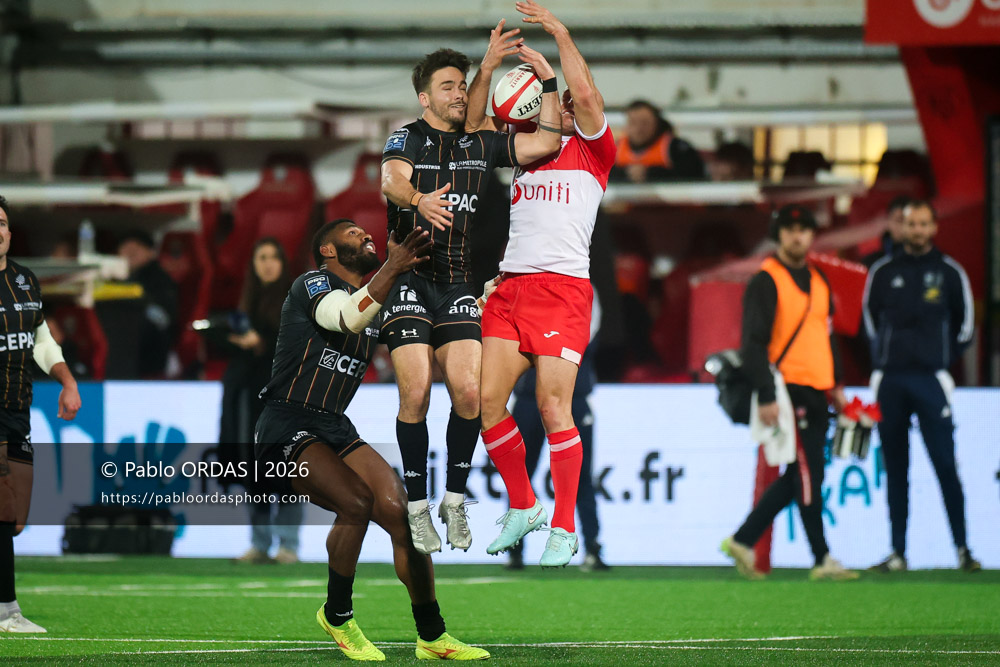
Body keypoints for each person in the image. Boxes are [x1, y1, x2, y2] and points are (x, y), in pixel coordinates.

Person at [255, 219, 489, 660]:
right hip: (284, 425)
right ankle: (337, 615)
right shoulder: (311, 285)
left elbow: (432, 331)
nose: (364, 236)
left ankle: (432, 636)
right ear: (326, 250)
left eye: (366, 233)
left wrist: (478, 302)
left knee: (403, 513)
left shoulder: (380, 304)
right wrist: (394, 268)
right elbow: (344, 317)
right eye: (351, 233)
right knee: (357, 501)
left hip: (333, 426)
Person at [379, 30, 562, 554]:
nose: (459, 94)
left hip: (457, 282)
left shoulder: (480, 143)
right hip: (409, 277)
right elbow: (390, 181)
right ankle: (418, 508)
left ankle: (453, 501)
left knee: (469, 394)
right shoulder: (406, 136)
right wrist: (418, 199)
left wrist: (548, 80)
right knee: (415, 392)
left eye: (463, 86)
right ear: (424, 97)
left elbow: (546, 140)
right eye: (447, 87)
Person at [471, 0, 615, 568]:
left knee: (555, 409)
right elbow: (476, 128)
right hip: (510, 287)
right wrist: (487, 70)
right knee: (485, 403)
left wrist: (559, 36)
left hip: (562, 289)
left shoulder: (594, 149)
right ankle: (524, 504)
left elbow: (588, 99)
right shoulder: (526, 148)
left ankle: (563, 526)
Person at [720, 204, 858, 581]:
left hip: (817, 388)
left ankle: (743, 539)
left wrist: (838, 387)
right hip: (787, 389)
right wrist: (765, 393)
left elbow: (827, 338)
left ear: (812, 235)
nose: (797, 236)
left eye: (804, 229)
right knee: (808, 473)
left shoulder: (818, 279)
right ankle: (821, 558)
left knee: (802, 474)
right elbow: (753, 343)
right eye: (790, 229)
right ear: (778, 235)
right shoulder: (766, 280)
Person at [862, 200, 981, 573]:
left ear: (933, 227)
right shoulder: (883, 271)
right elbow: (869, 320)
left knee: (945, 463)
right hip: (892, 379)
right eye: (910, 224)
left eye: (923, 224)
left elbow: (965, 325)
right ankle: (898, 552)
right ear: (902, 227)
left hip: (930, 378)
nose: (916, 230)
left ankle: (962, 549)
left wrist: (942, 363)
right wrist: (883, 361)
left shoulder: (949, 272)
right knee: (896, 467)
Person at [0, 194, 82, 633]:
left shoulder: (26, 281)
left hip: (18, 410)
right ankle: (7, 610)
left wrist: (67, 381)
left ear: (9, 232)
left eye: (1, 222)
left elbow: (40, 339)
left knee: (15, 519)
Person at [506, 297, 608, 571]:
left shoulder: (584, 290)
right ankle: (515, 549)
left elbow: (586, 334)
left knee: (581, 477)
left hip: (572, 398)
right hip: (529, 399)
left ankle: (593, 549)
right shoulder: (523, 286)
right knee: (520, 476)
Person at [219, 238, 302, 565]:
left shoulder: (296, 300)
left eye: (273, 257)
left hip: (284, 397)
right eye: (261, 257)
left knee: (287, 469)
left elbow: (297, 345)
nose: (267, 263)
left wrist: (261, 343)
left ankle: (289, 545)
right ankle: (260, 542)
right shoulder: (247, 302)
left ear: (283, 263)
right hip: (250, 396)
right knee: (255, 470)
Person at [117, 229, 179, 377]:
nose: (130, 253)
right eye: (126, 248)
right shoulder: (115, 277)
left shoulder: (158, 278)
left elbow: (164, 317)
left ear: (151, 253)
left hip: (151, 347)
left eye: (137, 248)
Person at [609, 99, 707, 183]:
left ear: (656, 124)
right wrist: (626, 174)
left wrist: (650, 173)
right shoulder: (616, 148)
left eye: (645, 123)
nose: (639, 129)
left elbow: (694, 173)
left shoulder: (674, 147)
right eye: (633, 122)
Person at [860, 195, 909, 267]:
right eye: (899, 220)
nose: (904, 227)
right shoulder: (871, 263)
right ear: (888, 222)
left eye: (911, 222)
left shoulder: (928, 260)